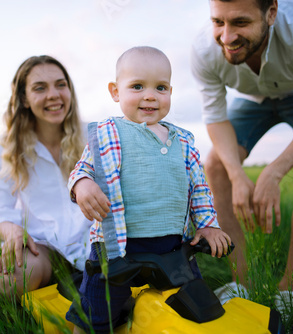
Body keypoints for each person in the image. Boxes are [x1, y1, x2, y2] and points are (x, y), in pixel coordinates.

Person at [65, 46, 232, 333]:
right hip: (116, 248)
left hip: (173, 248)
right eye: (137, 86)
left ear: (170, 91)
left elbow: (200, 190)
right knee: (96, 312)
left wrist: (208, 226)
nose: (150, 95)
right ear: (115, 91)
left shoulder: (184, 142)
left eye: (161, 87)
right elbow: (83, 169)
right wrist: (82, 184)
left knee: (194, 303)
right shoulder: (108, 133)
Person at [191, 0, 293, 307]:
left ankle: (290, 290)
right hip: (254, 100)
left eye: (240, 23)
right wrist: (237, 175)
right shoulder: (204, 49)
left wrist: (274, 172)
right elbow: (215, 117)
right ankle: (241, 283)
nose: (226, 37)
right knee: (217, 164)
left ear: (271, 13)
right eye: (218, 22)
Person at [0, 55, 92, 299]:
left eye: (61, 85)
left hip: (94, 243)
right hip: (42, 245)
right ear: (24, 99)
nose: (53, 94)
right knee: (9, 282)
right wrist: (11, 231)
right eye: (40, 88)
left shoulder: (94, 135)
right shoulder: (9, 145)